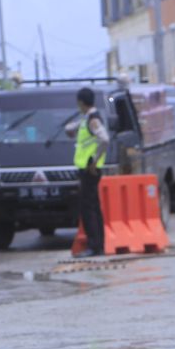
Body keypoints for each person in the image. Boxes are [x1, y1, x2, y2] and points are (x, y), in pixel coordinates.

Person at [68, 87, 109, 258]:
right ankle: (98, 245)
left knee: (88, 209)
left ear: (81, 102)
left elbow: (104, 139)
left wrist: (93, 160)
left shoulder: (92, 119)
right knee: (93, 207)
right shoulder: (88, 118)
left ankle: (94, 246)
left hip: (89, 169)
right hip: (88, 169)